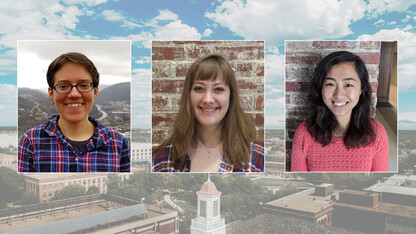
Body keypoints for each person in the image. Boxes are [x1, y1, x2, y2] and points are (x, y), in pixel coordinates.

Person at [18, 52, 130, 172]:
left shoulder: (118, 143)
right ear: (51, 94)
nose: (74, 94)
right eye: (63, 86)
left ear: (95, 92)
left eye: (83, 85)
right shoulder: (31, 141)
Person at [152, 54, 264, 172]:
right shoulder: (163, 157)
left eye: (218, 89)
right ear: (188, 95)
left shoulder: (257, 155)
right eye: (199, 88)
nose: (208, 99)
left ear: (231, 96)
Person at [291, 51, 389, 172]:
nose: (338, 94)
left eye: (348, 85)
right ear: (320, 88)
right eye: (330, 84)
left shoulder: (377, 133)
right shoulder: (304, 133)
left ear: (361, 89)